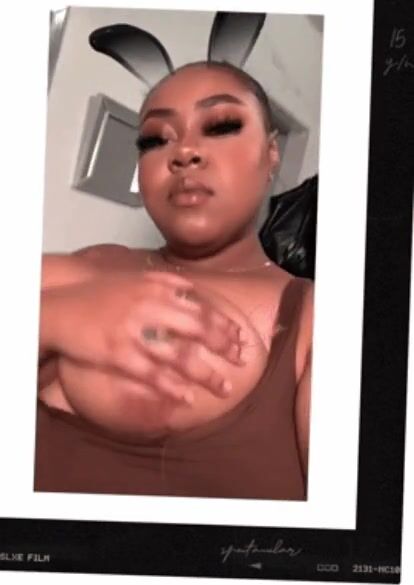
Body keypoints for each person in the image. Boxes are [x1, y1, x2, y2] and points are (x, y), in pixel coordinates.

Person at [35, 60, 314, 500]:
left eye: (221, 126)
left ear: (272, 152)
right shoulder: (87, 265)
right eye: (154, 139)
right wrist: (54, 319)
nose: (183, 152)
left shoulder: (318, 320)